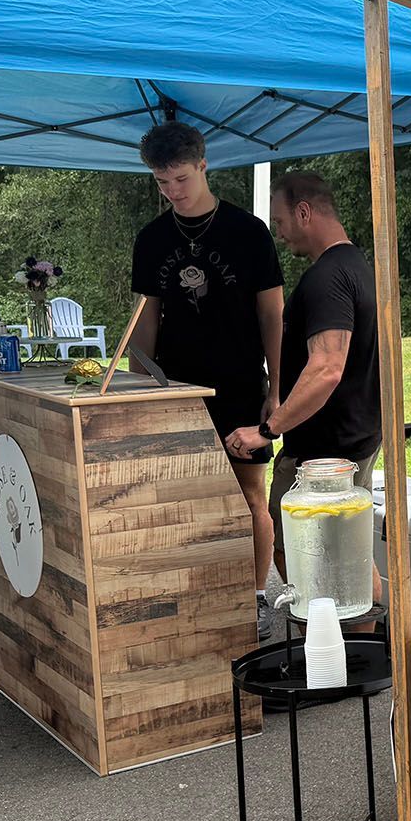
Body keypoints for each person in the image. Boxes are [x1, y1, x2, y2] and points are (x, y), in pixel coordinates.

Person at [129, 123, 284, 608]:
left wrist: (277, 389)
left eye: (181, 179)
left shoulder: (248, 232)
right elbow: (145, 318)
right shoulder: (151, 239)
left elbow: (272, 315)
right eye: (162, 182)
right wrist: (137, 387)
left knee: (250, 495)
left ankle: (256, 597)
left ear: (203, 165)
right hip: (175, 386)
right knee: (182, 494)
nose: (173, 191)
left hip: (240, 383)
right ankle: (197, 597)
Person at [223, 172, 383, 592]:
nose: (278, 233)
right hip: (356, 437)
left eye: (279, 221)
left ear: (304, 212)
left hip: (326, 452)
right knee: (350, 556)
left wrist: (265, 431)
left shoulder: (327, 278)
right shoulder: (357, 265)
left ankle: (327, 628)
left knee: (306, 553)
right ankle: (358, 632)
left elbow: (326, 369)